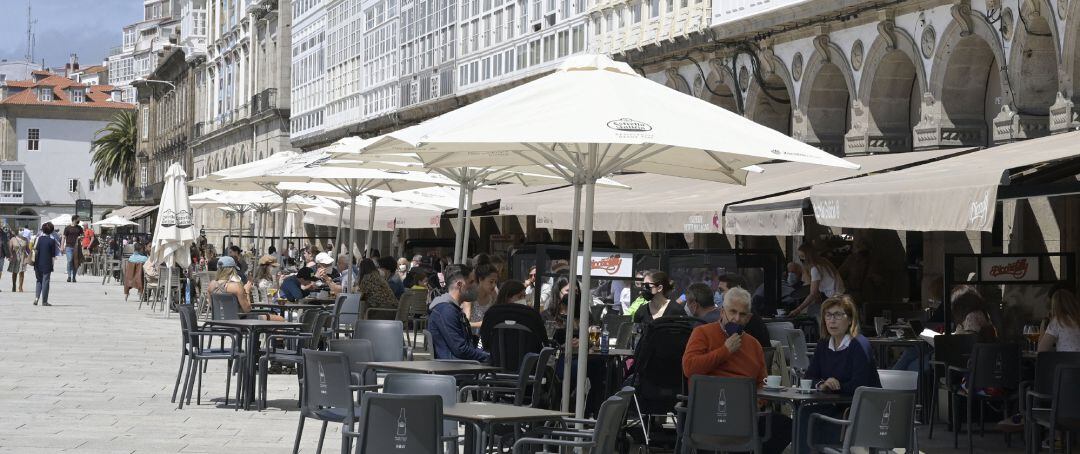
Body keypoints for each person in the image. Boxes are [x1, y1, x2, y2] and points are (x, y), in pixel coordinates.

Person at [681, 286, 793, 453]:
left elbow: (761, 382)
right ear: (722, 312)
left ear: (748, 318)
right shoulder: (702, 333)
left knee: (786, 426)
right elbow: (689, 368)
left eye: (742, 314)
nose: (736, 318)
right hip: (707, 413)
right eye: (732, 312)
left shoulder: (753, 345)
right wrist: (724, 351)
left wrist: (757, 402)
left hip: (744, 416)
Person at [797, 295, 880, 453]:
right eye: (828, 315)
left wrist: (837, 386)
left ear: (849, 320)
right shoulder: (823, 344)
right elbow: (810, 377)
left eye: (838, 315)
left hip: (861, 409)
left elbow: (860, 386)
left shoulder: (859, 345)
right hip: (837, 405)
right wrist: (822, 384)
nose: (832, 320)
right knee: (804, 413)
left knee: (809, 418)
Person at [428, 264, 490, 362]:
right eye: (471, 282)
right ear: (460, 285)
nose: (476, 286)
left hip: (461, 366)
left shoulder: (452, 309)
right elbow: (460, 350)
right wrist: (488, 357)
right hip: (456, 369)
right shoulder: (446, 311)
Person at [479, 281, 550, 350]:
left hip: (496, 360)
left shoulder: (491, 314)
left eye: (524, 296)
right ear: (507, 298)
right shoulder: (531, 315)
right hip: (528, 360)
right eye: (520, 297)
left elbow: (484, 342)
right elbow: (543, 342)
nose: (523, 299)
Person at [208, 256, 284, 321]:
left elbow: (212, 307)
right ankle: (269, 338)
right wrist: (247, 290)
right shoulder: (236, 286)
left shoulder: (211, 285)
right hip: (239, 321)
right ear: (232, 270)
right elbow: (247, 309)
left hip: (219, 321)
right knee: (280, 319)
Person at [790, 244, 845, 320]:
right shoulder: (823, 261)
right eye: (800, 257)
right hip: (841, 294)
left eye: (802, 257)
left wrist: (797, 310)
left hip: (835, 298)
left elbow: (813, 293)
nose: (801, 260)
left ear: (808, 256)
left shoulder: (815, 269)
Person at [462, 262, 499, 328]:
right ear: (480, 279)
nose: (494, 285)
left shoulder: (494, 295)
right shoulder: (470, 295)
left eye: (496, 282)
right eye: (491, 282)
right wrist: (484, 323)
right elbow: (465, 323)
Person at [32, 222, 61, 306]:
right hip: (47, 263)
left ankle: (36, 298)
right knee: (46, 282)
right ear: (52, 231)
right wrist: (52, 265)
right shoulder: (52, 241)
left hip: (37, 263)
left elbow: (36, 250)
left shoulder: (39, 239)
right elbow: (53, 255)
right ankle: (44, 301)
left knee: (38, 281)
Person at [61, 215, 84, 282]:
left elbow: (82, 235)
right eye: (78, 219)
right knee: (70, 260)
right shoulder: (67, 228)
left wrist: (81, 237)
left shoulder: (79, 228)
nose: (79, 220)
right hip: (69, 246)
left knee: (75, 262)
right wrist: (62, 246)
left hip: (77, 247)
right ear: (74, 219)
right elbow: (63, 237)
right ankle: (69, 276)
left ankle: (74, 276)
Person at [7, 227, 30, 292]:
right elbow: (10, 248)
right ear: (17, 231)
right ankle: (14, 285)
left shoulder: (25, 239)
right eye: (20, 230)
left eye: (22, 230)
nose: (21, 231)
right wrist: (10, 255)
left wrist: (30, 255)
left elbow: (27, 249)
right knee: (15, 272)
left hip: (23, 257)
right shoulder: (13, 239)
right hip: (15, 257)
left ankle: (20, 287)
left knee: (22, 272)